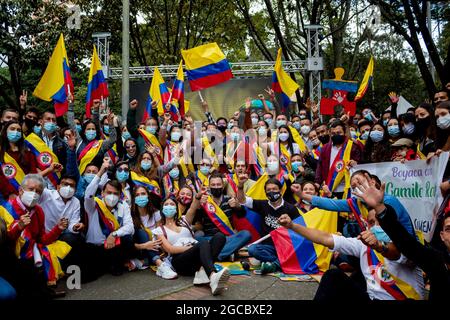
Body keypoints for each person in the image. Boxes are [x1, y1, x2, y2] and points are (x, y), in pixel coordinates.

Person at [277, 206, 425, 301]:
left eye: (380, 222)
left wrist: (380, 247)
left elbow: (398, 255)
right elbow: (326, 238)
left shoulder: (409, 243)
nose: (376, 226)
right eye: (371, 222)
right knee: (333, 276)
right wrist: (292, 226)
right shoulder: (363, 244)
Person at [352, 176, 449, 300]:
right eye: (448, 229)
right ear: (442, 235)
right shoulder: (437, 261)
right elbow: (406, 243)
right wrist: (380, 208)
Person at [153, 196, 230, 295]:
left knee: (220, 237)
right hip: (179, 261)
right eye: (166, 205)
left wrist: (197, 197)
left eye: (172, 204)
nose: (169, 207)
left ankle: (202, 271)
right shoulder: (159, 230)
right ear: (162, 209)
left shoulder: (184, 221)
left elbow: (193, 207)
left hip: (196, 254)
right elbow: (169, 249)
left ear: (176, 209)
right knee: (202, 242)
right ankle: (212, 276)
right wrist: (193, 247)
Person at [6, 174, 70, 293]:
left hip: (31, 253)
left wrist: (58, 229)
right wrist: (18, 227)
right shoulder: (7, 209)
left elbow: (42, 240)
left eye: (38, 191)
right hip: (11, 255)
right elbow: (5, 241)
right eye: (31, 189)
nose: (34, 194)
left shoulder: (38, 211)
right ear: (20, 190)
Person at [83, 159, 134, 279]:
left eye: (115, 193)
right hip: (95, 247)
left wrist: (114, 234)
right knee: (88, 276)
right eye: (109, 192)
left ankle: (115, 264)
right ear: (102, 193)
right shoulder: (94, 205)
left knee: (128, 239)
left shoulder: (123, 205)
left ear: (120, 195)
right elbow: (88, 194)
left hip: (112, 246)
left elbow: (130, 227)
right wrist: (100, 172)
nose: (112, 196)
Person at [237, 176, 300, 274]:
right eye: (269, 190)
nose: (272, 192)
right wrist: (240, 186)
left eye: (274, 189)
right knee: (252, 249)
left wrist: (289, 224)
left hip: (285, 247)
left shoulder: (291, 209)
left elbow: (300, 229)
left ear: (280, 190)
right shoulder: (263, 205)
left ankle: (273, 264)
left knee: (297, 251)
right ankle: (279, 262)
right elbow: (242, 201)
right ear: (265, 192)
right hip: (267, 247)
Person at [189, 172, 251, 261]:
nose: (216, 187)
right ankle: (225, 253)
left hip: (227, 238)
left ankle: (215, 256)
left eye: (218, 184)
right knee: (197, 238)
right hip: (210, 239)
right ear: (209, 187)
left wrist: (237, 206)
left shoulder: (229, 200)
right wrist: (199, 205)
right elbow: (195, 220)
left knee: (246, 234)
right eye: (213, 185)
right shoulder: (205, 201)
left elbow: (242, 215)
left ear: (222, 186)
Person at [130, 185, 177, 279]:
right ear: (134, 199)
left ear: (148, 195)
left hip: (155, 246)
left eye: (143, 194)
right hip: (139, 248)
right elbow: (129, 242)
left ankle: (142, 262)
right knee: (142, 232)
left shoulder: (156, 213)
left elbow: (159, 233)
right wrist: (145, 245)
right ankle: (160, 264)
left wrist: (155, 244)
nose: (140, 197)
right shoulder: (129, 214)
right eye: (137, 195)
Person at [315, 120, 362, 200]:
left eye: (339, 133)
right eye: (333, 133)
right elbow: (320, 166)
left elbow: (360, 164)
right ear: (330, 134)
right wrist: (317, 182)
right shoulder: (325, 148)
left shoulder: (352, 147)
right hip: (329, 187)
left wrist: (355, 163)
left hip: (348, 188)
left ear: (344, 133)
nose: (336, 135)